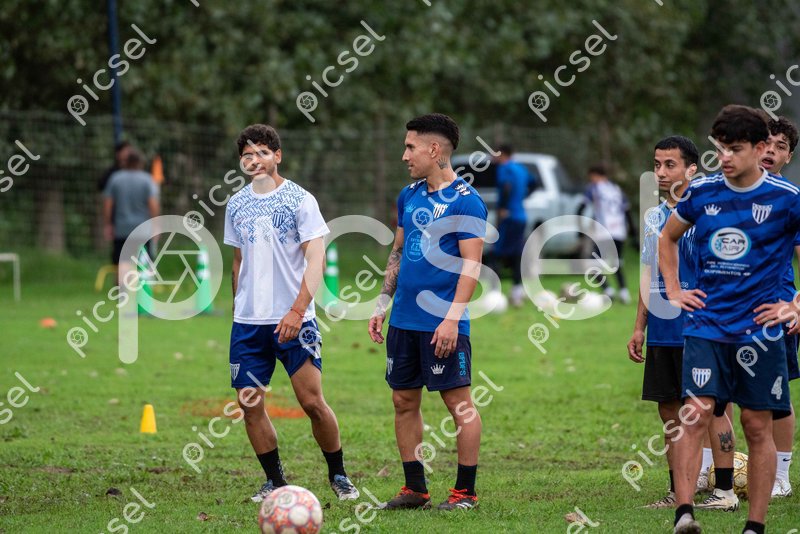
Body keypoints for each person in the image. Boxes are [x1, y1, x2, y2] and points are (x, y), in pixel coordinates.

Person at [660, 105, 800, 534]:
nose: (724, 157)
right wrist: (674, 290)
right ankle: (685, 513)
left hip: (759, 330)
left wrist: (795, 305)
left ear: (760, 148)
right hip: (707, 324)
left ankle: (754, 526)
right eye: (721, 148)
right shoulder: (702, 193)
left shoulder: (786, 199)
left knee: (756, 425)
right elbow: (667, 238)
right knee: (695, 411)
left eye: (735, 149)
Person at [223, 124, 359, 503]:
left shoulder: (300, 200)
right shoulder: (236, 204)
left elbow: (316, 259)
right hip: (248, 325)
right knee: (249, 404)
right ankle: (275, 482)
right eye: (247, 155)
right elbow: (238, 261)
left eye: (263, 152)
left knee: (312, 402)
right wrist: (238, 308)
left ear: (278, 156)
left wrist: (298, 310)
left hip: (295, 321)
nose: (255, 160)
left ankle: (339, 475)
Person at [368, 113, 487, 511]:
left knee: (459, 404)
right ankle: (415, 489)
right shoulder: (408, 195)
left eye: (410, 147)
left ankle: (465, 493)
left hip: (443, 323)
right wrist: (382, 303)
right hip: (403, 320)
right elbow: (399, 251)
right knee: (403, 401)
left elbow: (471, 266)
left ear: (434, 150)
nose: (405, 156)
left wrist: (452, 319)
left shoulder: (467, 201)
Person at [628, 136, 738, 511]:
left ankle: (724, 491)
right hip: (663, 331)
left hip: (704, 329)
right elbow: (648, 274)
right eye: (656, 164)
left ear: (692, 169)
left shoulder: (711, 213)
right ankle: (679, 491)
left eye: (670, 165)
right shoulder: (653, 217)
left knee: (713, 409)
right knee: (669, 412)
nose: (660, 172)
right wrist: (639, 326)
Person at [759, 116, 799, 498]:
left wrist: (797, 305)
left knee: (776, 394)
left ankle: (781, 476)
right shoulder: (729, 193)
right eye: (767, 142)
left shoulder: (791, 199)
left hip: (777, 310)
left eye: (781, 146)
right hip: (732, 311)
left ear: (788, 157)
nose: (771, 150)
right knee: (732, 396)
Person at [488, 144, 537, 307]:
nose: (492, 158)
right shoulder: (520, 168)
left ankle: (494, 293)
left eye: (494, 155)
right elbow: (534, 183)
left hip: (508, 217)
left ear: (502, 154)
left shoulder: (504, 168)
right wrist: (522, 197)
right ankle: (517, 292)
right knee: (516, 254)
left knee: (495, 253)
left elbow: (506, 187)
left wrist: (504, 208)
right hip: (521, 216)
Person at [580, 165, 636, 304]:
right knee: (616, 263)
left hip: (603, 231)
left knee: (592, 263)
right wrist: (633, 233)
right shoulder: (616, 189)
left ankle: (608, 291)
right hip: (619, 231)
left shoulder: (594, 188)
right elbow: (627, 212)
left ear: (595, 175)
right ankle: (624, 293)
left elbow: (582, 206)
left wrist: (579, 226)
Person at [103, 147, 159, 273]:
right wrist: (156, 225)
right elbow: (153, 205)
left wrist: (108, 224)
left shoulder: (115, 179)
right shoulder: (147, 179)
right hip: (143, 230)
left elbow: (108, 204)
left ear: (125, 162)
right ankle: (143, 284)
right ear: (140, 163)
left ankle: (122, 285)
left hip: (121, 229)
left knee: (122, 263)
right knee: (143, 263)